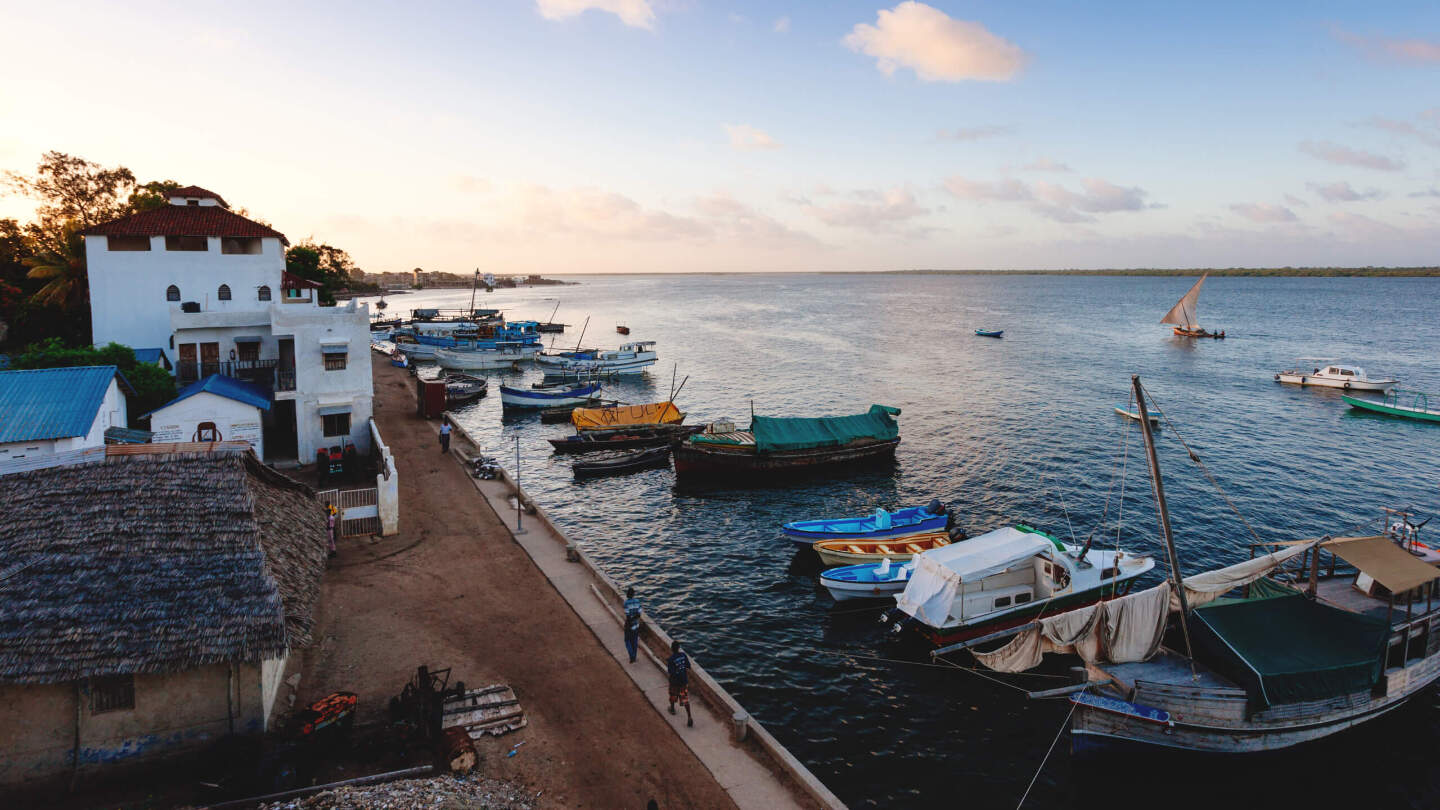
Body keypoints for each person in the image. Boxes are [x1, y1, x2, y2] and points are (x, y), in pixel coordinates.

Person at [666, 640, 692, 727]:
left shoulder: (671, 659)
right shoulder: (683, 655)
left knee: (672, 694)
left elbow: (671, 672)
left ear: (672, 649)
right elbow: (688, 666)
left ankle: (672, 709)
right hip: (683, 681)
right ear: (678, 648)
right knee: (685, 699)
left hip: (675, 682)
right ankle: (689, 717)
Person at [623, 587, 642, 663]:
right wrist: (635, 617)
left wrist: (629, 623)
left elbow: (628, 616)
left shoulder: (626, 603)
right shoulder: (637, 602)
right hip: (636, 625)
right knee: (634, 641)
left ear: (628, 594)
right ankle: (634, 656)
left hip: (629, 625)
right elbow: (639, 614)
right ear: (633, 594)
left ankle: (632, 656)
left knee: (627, 640)